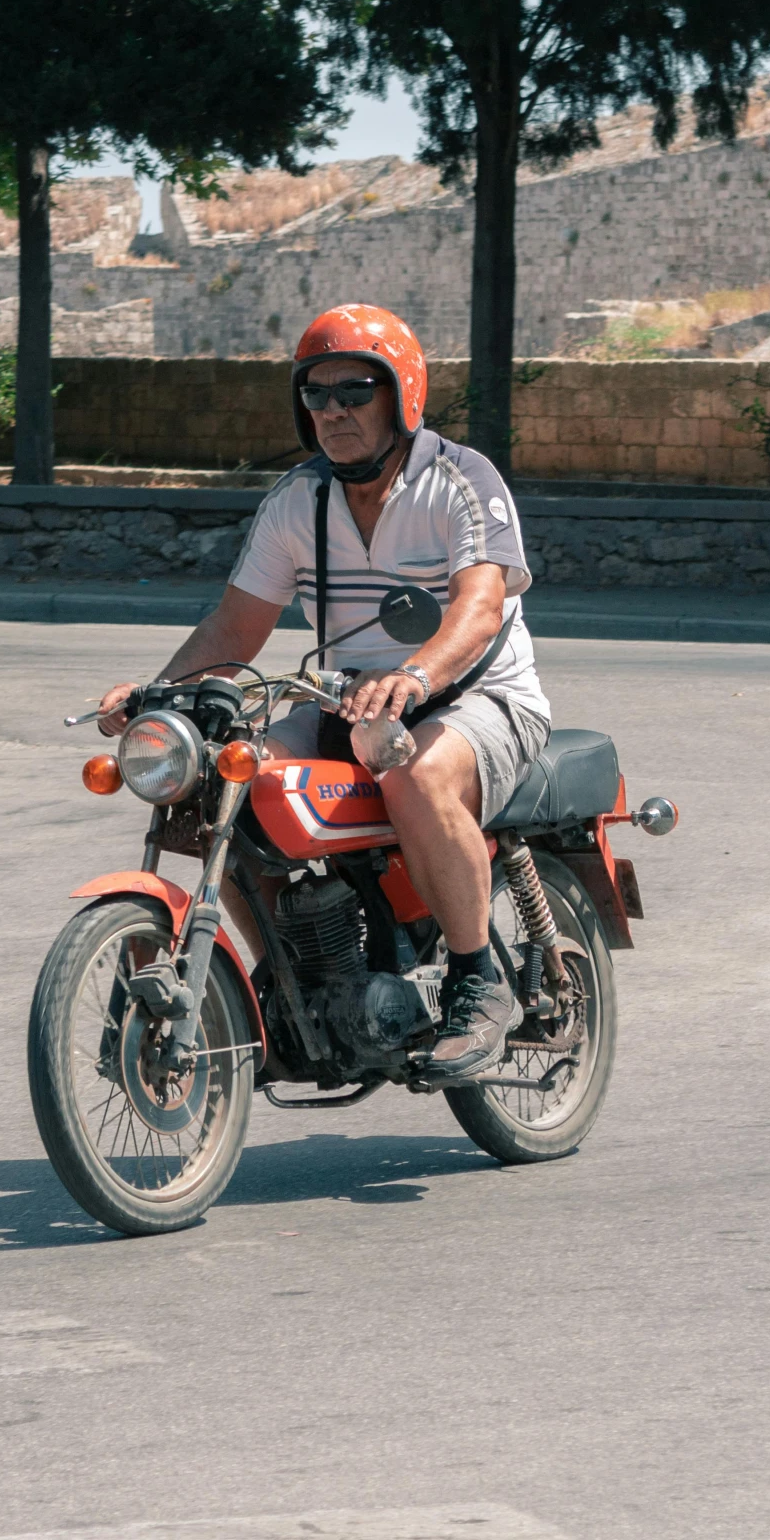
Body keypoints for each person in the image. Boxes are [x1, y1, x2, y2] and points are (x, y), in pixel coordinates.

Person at [97, 303, 551, 1079]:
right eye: (317, 395)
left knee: (412, 768)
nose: (333, 410)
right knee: (225, 774)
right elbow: (234, 632)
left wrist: (413, 675)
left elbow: (477, 611)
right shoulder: (297, 501)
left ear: (399, 392)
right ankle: (293, 981)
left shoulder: (458, 479)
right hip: (352, 704)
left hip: (477, 699)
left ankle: (478, 981)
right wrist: (157, 694)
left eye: (354, 391)